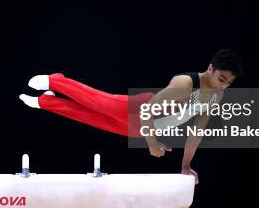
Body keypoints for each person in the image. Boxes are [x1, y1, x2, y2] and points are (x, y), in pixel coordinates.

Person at [19, 49, 243, 184]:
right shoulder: (185, 84)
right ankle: (55, 81)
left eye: (229, 83)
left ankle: (44, 101)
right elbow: (147, 112)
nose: (223, 86)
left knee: (86, 116)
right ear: (211, 68)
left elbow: (196, 134)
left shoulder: (215, 97)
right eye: (222, 79)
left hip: (142, 130)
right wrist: (153, 144)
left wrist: (186, 166)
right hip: (138, 109)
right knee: (94, 100)